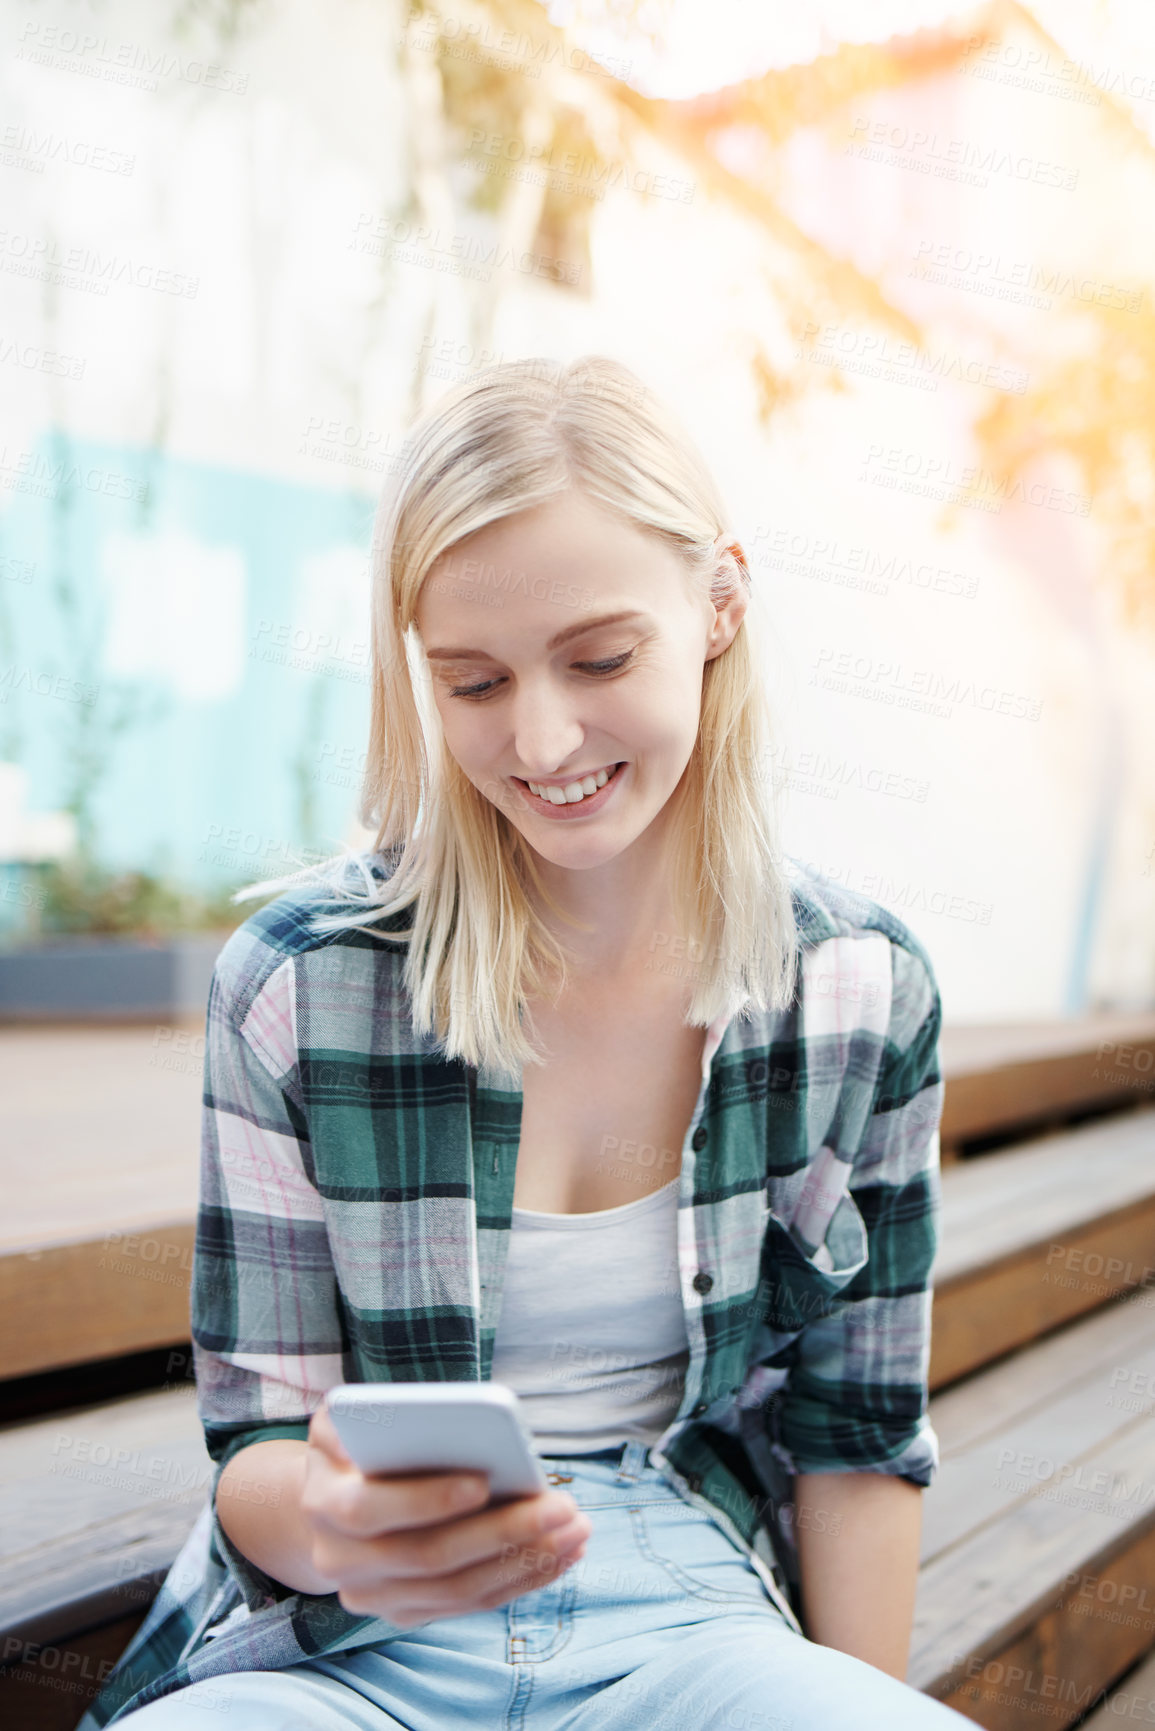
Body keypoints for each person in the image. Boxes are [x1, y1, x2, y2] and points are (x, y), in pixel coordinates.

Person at [80, 356, 971, 1729]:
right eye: (474, 680)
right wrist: (335, 1524)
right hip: (343, 1643)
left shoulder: (857, 991)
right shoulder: (302, 985)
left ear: (720, 604)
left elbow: (856, 1438)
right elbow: (257, 1438)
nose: (541, 737)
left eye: (600, 658)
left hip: (681, 1613)